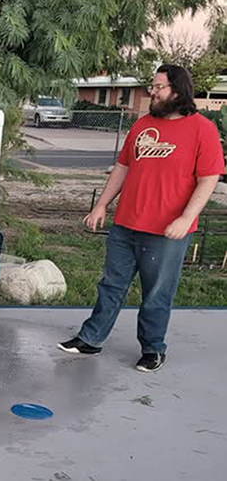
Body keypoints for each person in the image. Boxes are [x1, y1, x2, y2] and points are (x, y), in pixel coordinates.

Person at [59, 64, 225, 372]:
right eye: (152, 86)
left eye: (159, 87)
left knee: (157, 292)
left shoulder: (202, 129)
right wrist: (101, 206)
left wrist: (186, 218)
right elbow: (122, 167)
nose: (152, 91)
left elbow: (209, 178)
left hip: (167, 230)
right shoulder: (142, 125)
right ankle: (91, 339)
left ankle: (153, 348)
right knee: (111, 285)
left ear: (177, 91)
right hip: (126, 224)